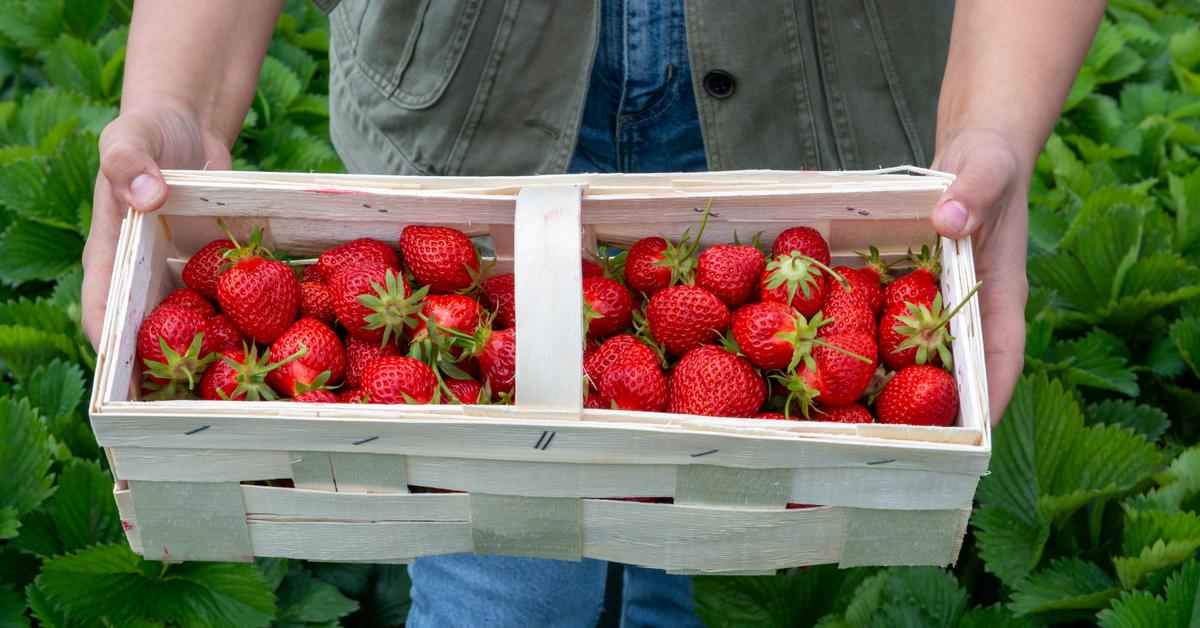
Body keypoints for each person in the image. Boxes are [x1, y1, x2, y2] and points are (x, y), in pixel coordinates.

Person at [81, 1, 1106, 625]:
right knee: (502, 589)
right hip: (467, 134)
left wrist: (988, 118)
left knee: (713, 559)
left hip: (814, 120)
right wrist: (182, 95)